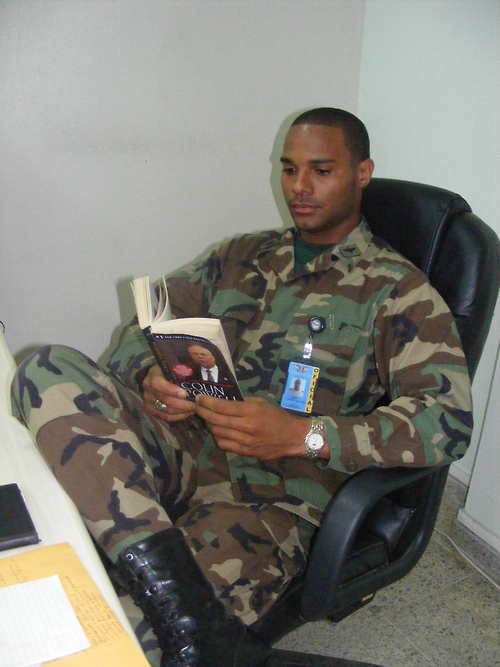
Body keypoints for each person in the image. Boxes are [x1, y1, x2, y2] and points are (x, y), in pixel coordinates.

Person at [11, 108, 473, 667]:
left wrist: (303, 435)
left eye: (321, 170)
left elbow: (446, 419)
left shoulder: (397, 290)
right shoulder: (242, 255)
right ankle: (182, 606)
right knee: (45, 368)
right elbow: (143, 328)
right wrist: (150, 379)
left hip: (270, 500)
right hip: (184, 443)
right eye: (289, 169)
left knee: (101, 639)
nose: (299, 188)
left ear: (362, 173)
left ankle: (160, 598)